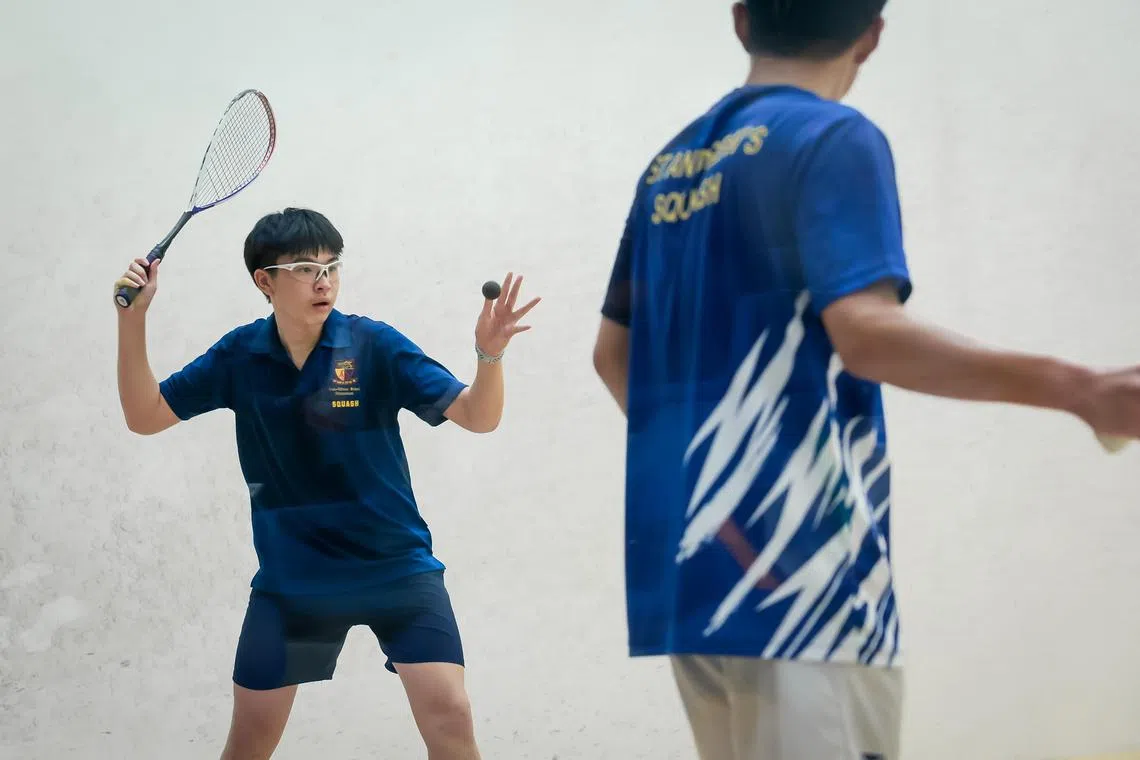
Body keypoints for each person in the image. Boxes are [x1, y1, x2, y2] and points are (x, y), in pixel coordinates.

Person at [591, 2, 1140, 758]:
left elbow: (613, 356)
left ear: (742, 21)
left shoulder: (669, 165)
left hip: (697, 579)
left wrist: (714, 493)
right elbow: (868, 335)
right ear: (872, 35)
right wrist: (1081, 389)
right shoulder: (833, 136)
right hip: (805, 578)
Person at [114, 207, 539, 760]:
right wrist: (133, 320)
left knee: (451, 714)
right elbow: (145, 415)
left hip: (395, 569)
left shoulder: (374, 345)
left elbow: (478, 416)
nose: (324, 281)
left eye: (332, 266)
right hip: (294, 582)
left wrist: (490, 355)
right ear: (264, 281)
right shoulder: (239, 356)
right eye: (304, 268)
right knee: (250, 740)